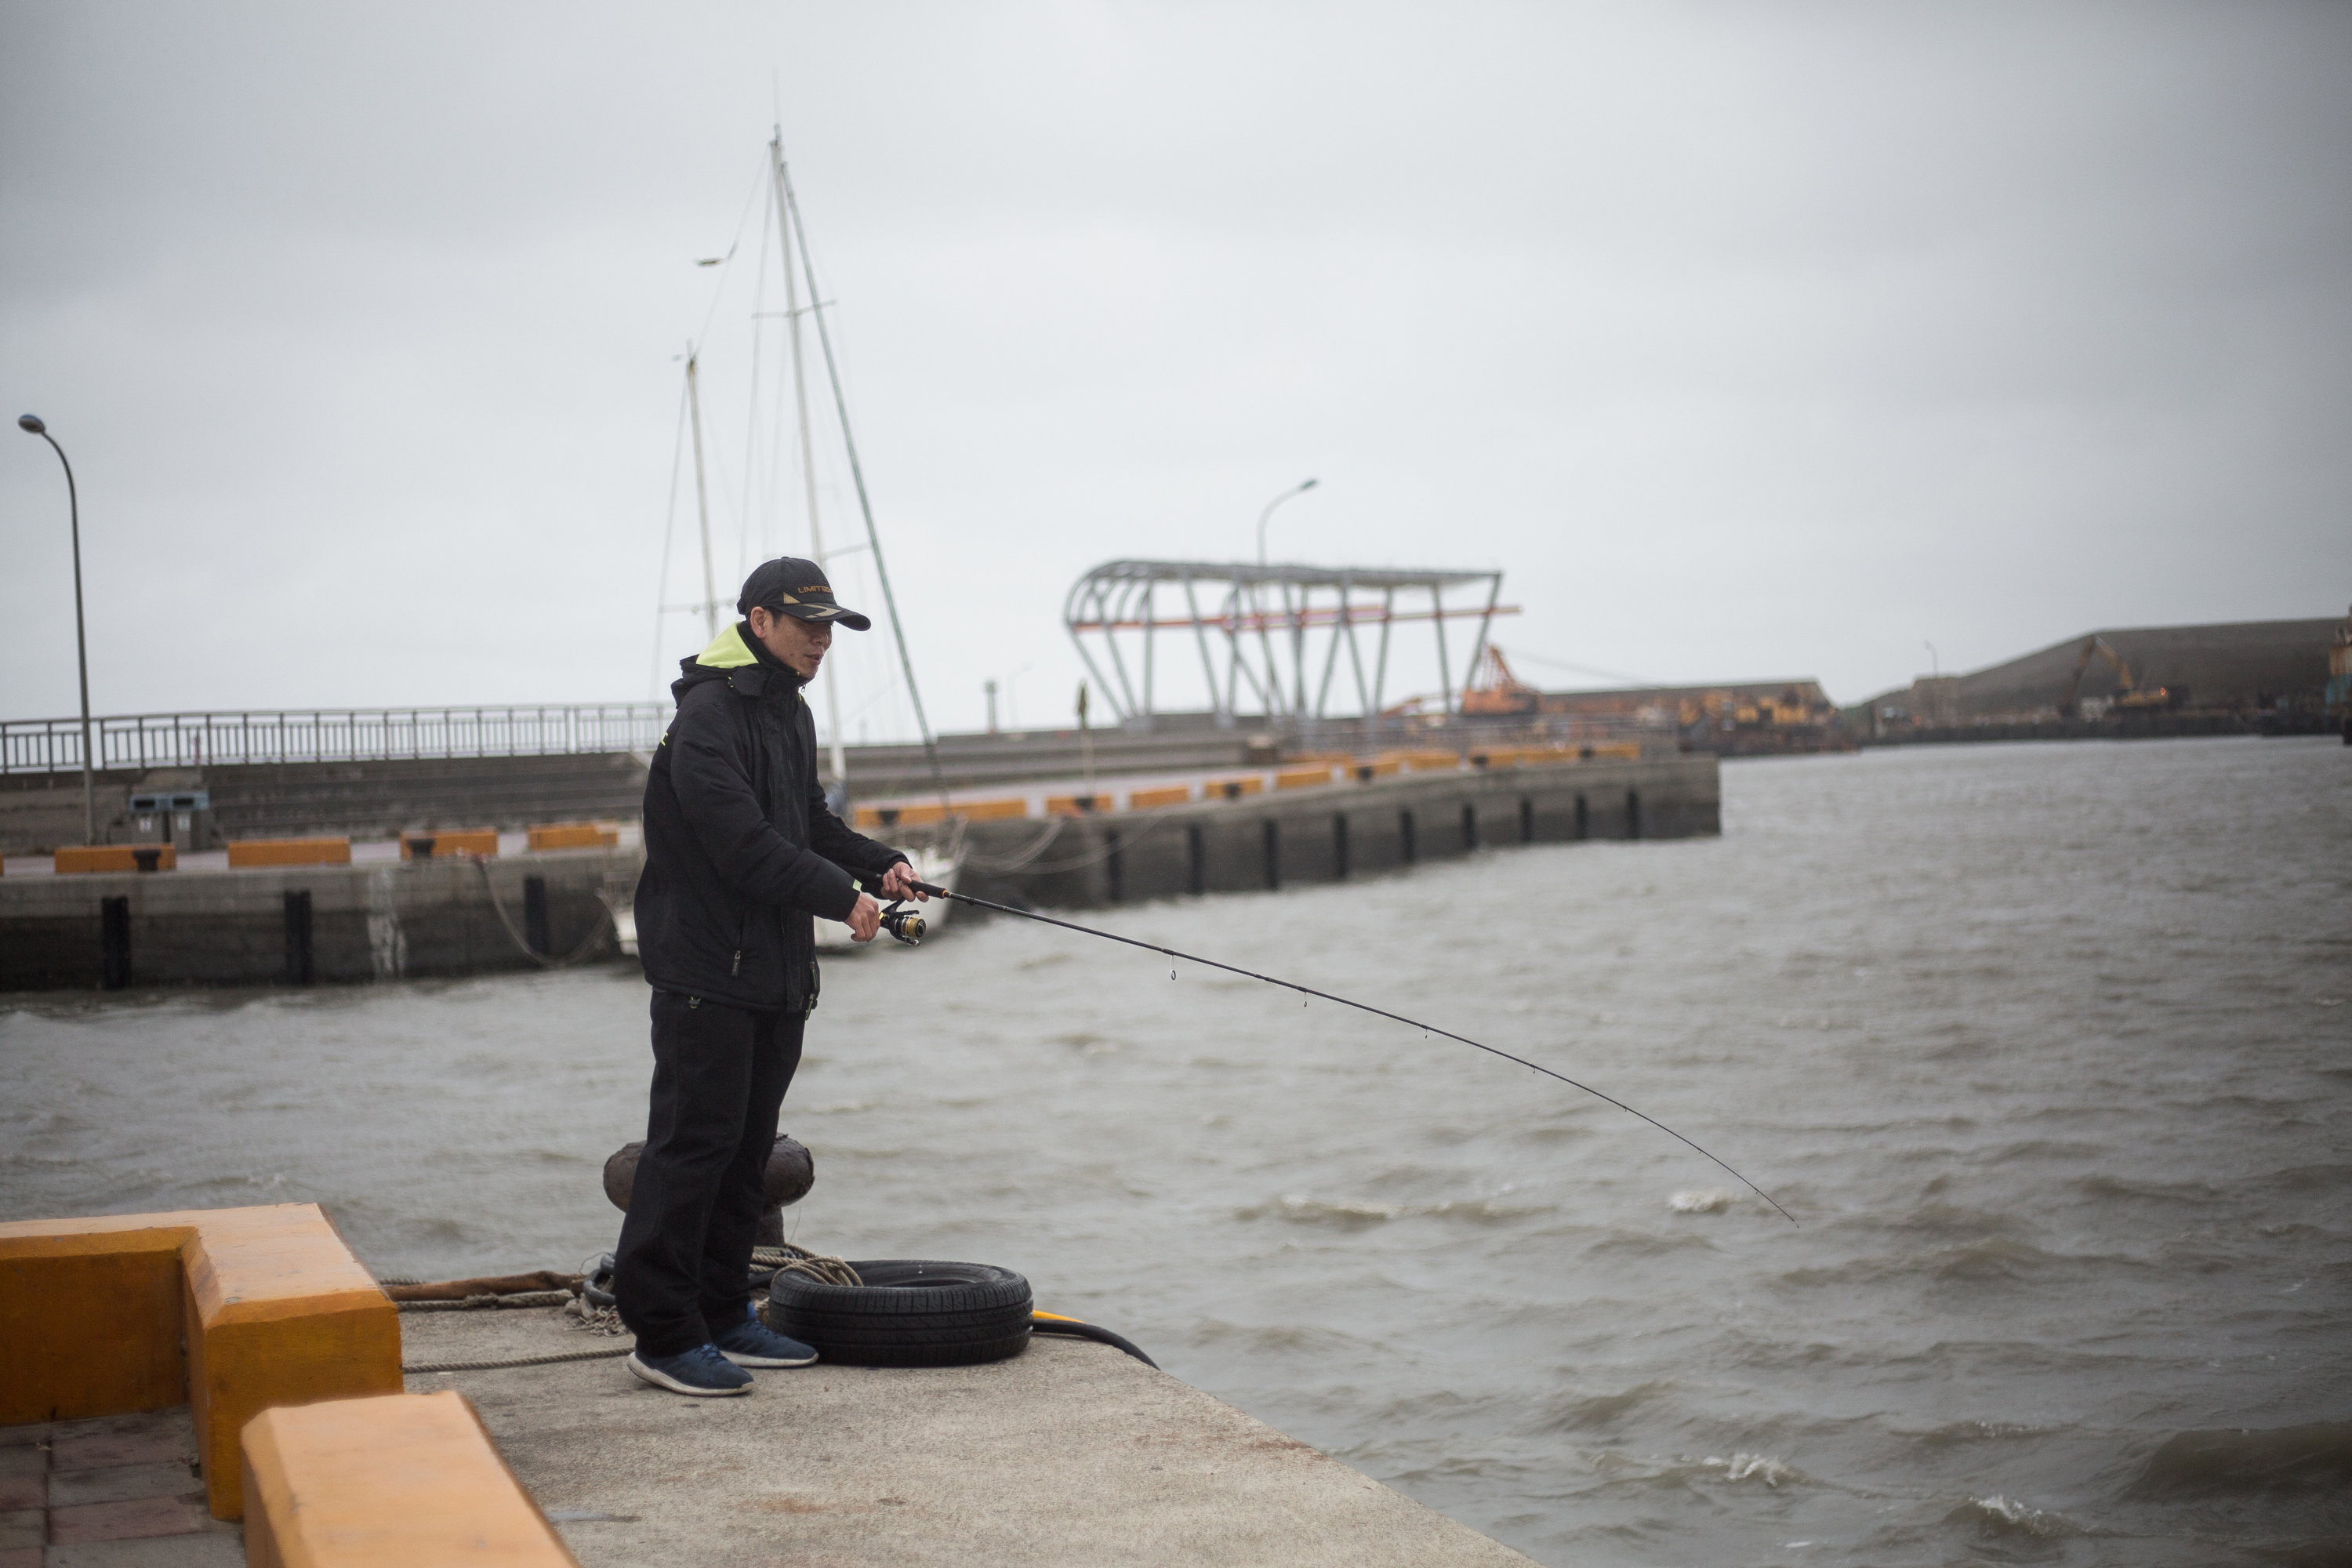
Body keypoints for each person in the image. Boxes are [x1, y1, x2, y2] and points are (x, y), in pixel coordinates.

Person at [617, 557, 927, 1396]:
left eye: (831, 626)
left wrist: (882, 864)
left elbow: (808, 823)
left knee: (747, 1154)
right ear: (759, 621)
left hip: (776, 974)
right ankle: (663, 1332)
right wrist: (843, 897)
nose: (822, 640)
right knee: (691, 1150)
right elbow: (743, 843)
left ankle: (723, 1313)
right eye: (807, 624)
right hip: (706, 973)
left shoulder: (788, 713)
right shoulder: (708, 718)